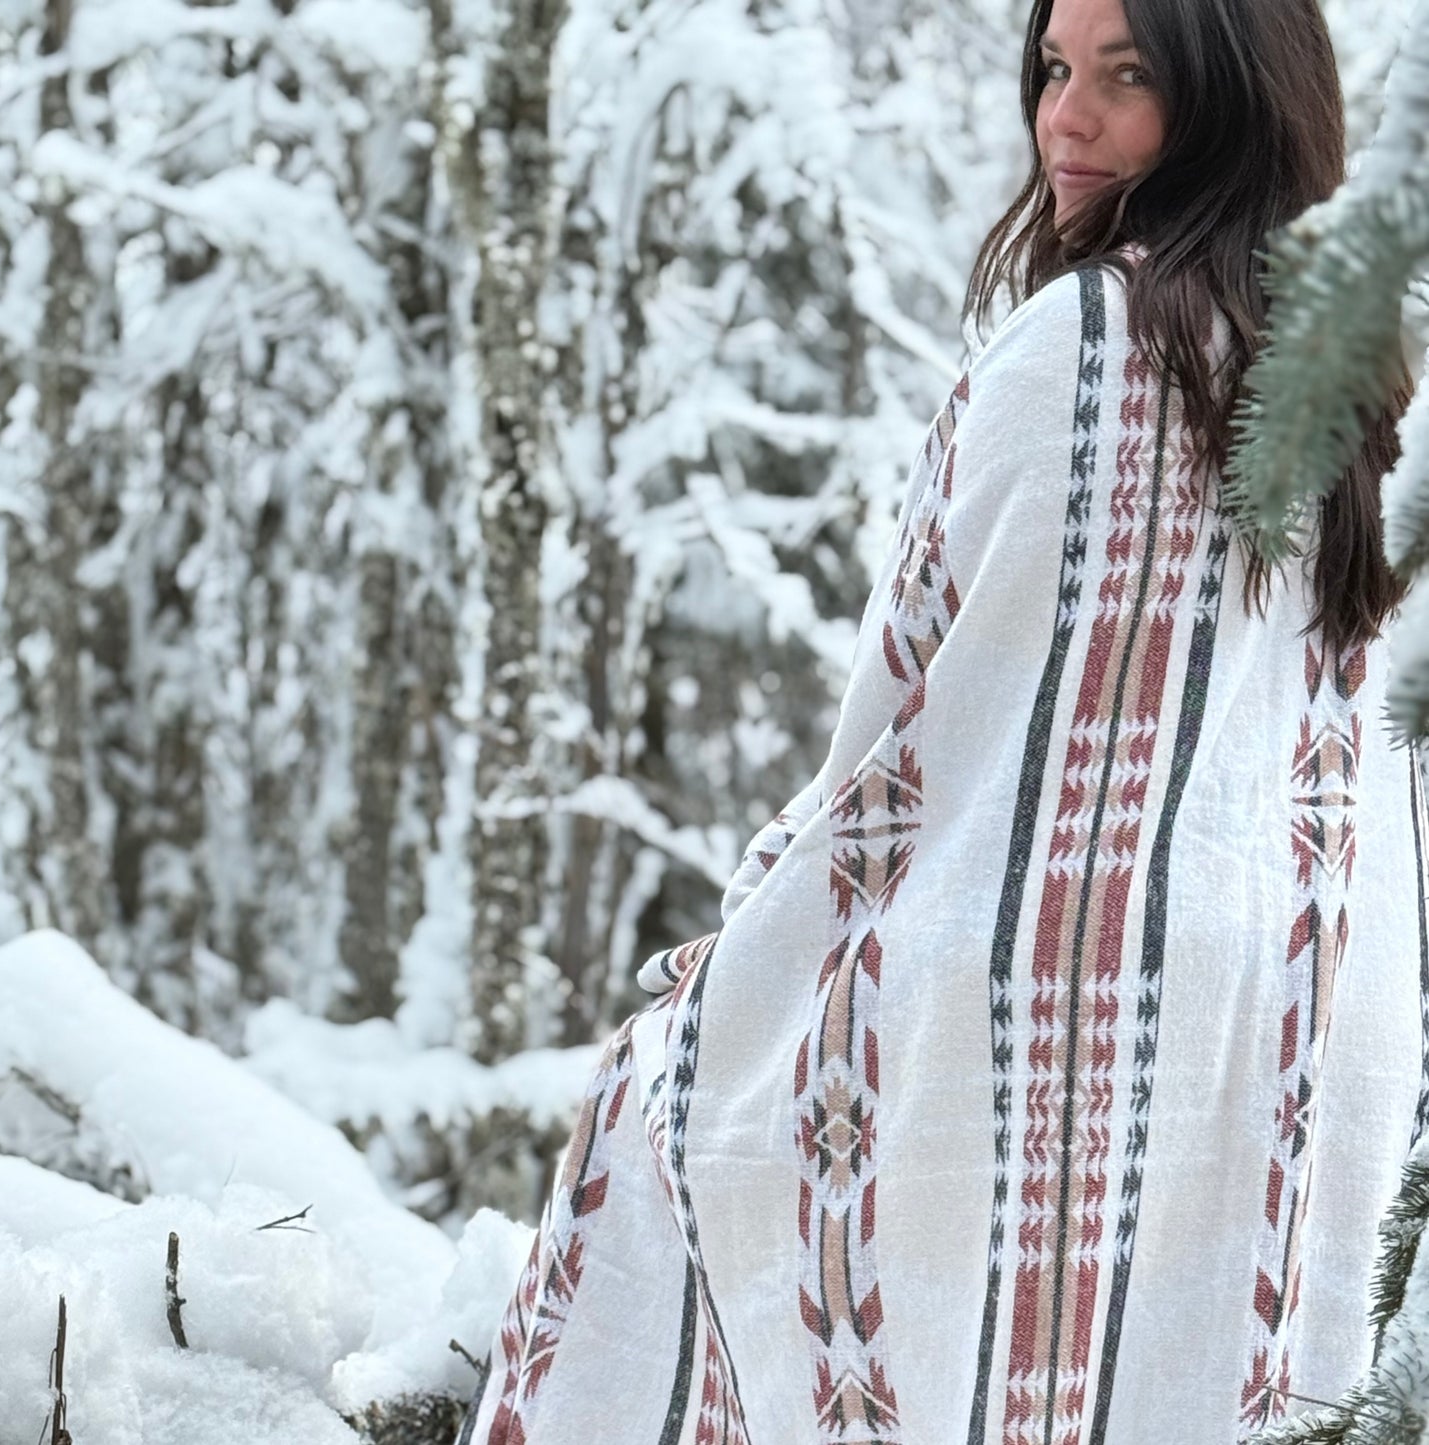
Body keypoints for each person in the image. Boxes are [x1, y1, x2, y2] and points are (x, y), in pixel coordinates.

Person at [469, 0, 1428, 1440]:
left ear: (1232, 99)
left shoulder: (1084, 343)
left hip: (1036, 1010)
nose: (1066, 120)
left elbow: (915, 744)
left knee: (665, 1108)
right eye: (1052, 70)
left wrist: (733, 962)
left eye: (1126, 79)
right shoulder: (1374, 378)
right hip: (1305, 1025)